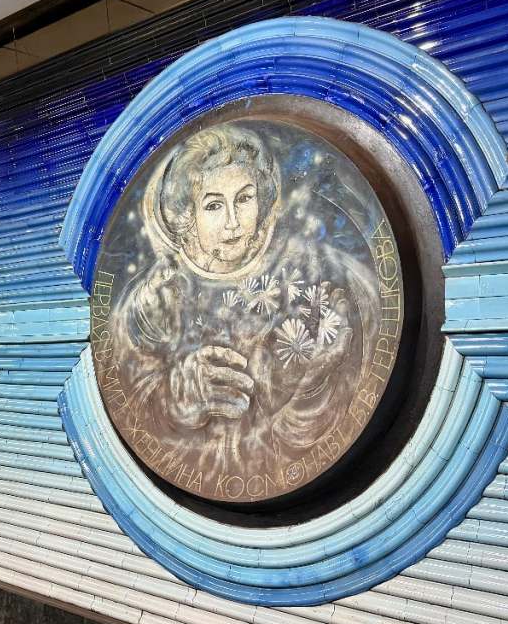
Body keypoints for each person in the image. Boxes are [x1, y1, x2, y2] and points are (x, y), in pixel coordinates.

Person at [109, 121, 384, 497]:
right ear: (185, 215)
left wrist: (316, 380)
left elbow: (365, 360)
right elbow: (129, 396)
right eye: (213, 205)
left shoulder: (319, 272)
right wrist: (180, 394)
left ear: (265, 200)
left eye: (244, 198)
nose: (234, 222)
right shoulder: (156, 300)